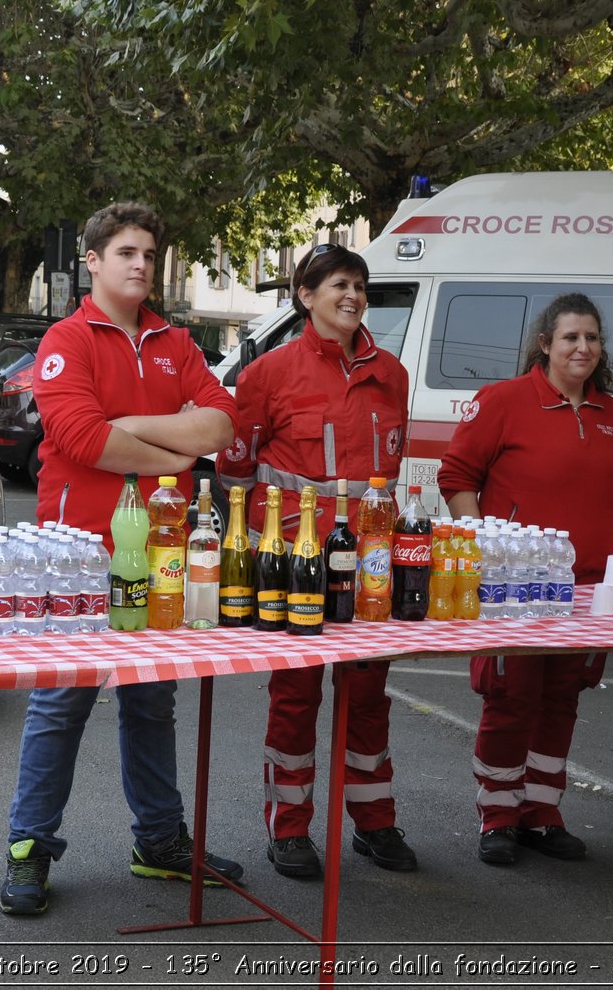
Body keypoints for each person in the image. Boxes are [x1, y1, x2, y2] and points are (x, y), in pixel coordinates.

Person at [0, 202, 243, 916]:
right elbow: (80, 438)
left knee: (151, 701)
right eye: (127, 252)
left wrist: (134, 429)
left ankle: (159, 842)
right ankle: (28, 848)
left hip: (161, 558)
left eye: (149, 253)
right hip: (79, 558)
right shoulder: (66, 339)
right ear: (95, 261)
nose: (141, 264)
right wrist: (177, 453)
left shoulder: (178, 341)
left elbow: (223, 424)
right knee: (60, 703)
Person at [215, 243, 417, 879]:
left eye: (359, 284)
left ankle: (375, 821)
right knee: (295, 698)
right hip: (296, 566)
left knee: (369, 699)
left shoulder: (393, 374)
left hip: (372, 569)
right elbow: (235, 472)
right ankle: (290, 829)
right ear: (305, 296)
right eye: (338, 284)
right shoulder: (268, 374)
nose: (352, 295)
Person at [437, 293, 613, 866]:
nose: (583, 347)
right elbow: (457, 476)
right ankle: (498, 816)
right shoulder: (503, 401)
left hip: (590, 589)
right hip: (516, 589)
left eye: (592, 338)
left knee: (562, 700)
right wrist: (486, 547)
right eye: (571, 337)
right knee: (510, 697)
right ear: (545, 343)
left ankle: (542, 814)